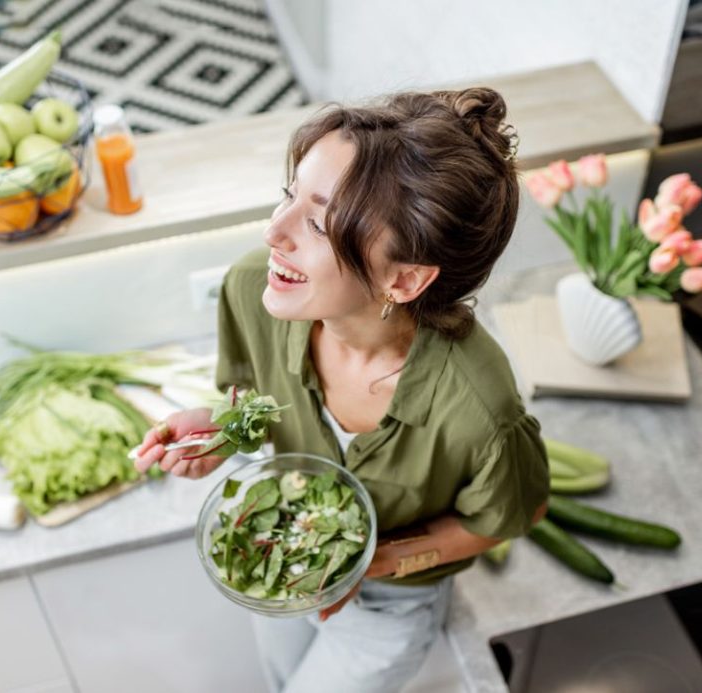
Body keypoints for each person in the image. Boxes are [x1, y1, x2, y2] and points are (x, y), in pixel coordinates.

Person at [134, 86, 550, 693]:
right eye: (288, 196)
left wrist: (367, 562)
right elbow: (252, 398)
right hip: (287, 542)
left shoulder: (480, 407)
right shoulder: (256, 287)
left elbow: (516, 512)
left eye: (319, 222)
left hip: (391, 602)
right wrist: (221, 432)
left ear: (404, 278)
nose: (275, 231)